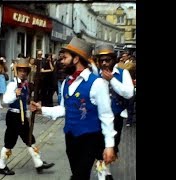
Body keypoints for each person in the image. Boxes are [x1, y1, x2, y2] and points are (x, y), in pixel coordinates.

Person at [30, 37, 116, 180]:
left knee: (79, 177)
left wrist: (109, 145)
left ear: (76, 59)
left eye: (65, 58)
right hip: (70, 138)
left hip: (89, 138)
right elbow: (65, 109)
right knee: (78, 174)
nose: (61, 61)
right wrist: (42, 110)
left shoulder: (97, 84)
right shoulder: (66, 83)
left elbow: (106, 116)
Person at [0, 57, 54, 176]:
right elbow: (6, 100)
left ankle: (38, 163)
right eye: (21, 71)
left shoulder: (26, 85)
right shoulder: (12, 84)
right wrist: (14, 94)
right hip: (13, 116)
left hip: (22, 117)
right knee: (10, 142)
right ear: (17, 71)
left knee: (29, 139)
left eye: (25, 71)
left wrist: (29, 110)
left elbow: (25, 102)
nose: (23, 73)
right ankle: (1, 166)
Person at [92, 44, 134, 179]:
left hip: (116, 116)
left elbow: (128, 93)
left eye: (107, 60)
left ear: (113, 60)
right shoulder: (94, 75)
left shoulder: (123, 73)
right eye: (101, 60)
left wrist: (112, 80)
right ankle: (102, 174)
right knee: (99, 147)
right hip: (97, 117)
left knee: (112, 147)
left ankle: (106, 170)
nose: (104, 63)